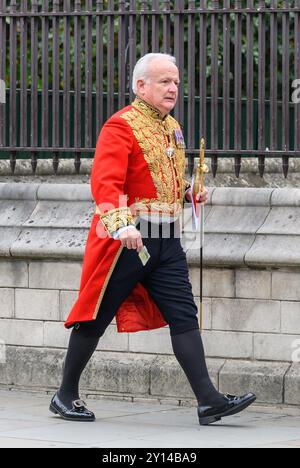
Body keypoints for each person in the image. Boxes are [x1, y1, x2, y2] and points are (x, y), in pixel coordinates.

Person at [49, 53, 256, 426]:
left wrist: (189, 194)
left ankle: (208, 400)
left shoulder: (172, 126)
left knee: (184, 315)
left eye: (175, 81)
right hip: (128, 241)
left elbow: (163, 183)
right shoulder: (120, 126)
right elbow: (105, 183)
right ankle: (64, 395)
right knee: (96, 317)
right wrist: (120, 224)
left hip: (167, 237)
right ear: (140, 86)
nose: (173, 88)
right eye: (164, 81)